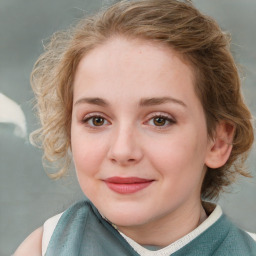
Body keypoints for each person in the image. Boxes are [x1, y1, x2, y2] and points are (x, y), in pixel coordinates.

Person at [14, 0, 256, 255]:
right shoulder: (44, 248)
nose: (122, 150)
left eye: (159, 120)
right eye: (97, 120)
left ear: (217, 142)